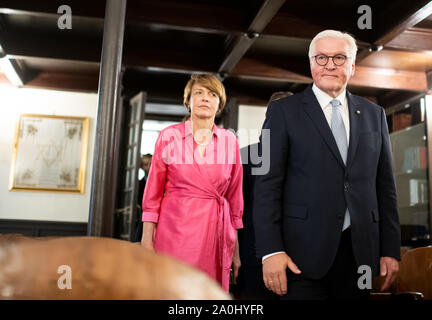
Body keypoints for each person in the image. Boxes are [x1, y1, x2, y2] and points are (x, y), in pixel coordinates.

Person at [253, 30, 401, 300]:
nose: (329, 65)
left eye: (339, 58)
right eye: (321, 57)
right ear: (311, 63)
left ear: (353, 66)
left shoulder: (374, 114)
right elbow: (266, 186)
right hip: (299, 256)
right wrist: (270, 251)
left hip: (360, 254)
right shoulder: (283, 112)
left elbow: (385, 187)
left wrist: (390, 249)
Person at [140, 73, 244, 292]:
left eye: (212, 94)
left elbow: (234, 199)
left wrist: (234, 251)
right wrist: (146, 242)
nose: (205, 98)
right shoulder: (169, 136)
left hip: (214, 236)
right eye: (199, 92)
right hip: (174, 232)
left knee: (207, 295)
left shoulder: (230, 141)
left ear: (219, 103)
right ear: (188, 101)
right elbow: (152, 195)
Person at [236, 91, 292, 299]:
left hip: (300, 255)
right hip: (255, 253)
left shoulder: (308, 155)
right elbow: (238, 210)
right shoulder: (246, 155)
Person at [132, 154, 152, 243]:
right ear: (141, 167)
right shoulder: (138, 185)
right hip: (142, 218)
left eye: (150, 164)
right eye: (145, 164)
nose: (148, 167)